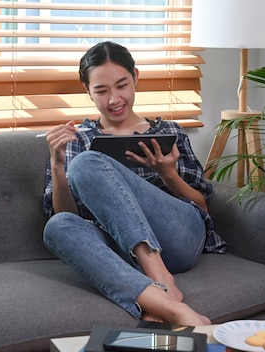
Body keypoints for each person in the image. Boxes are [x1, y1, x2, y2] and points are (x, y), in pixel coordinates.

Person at [41, 41, 226, 327]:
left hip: (178, 239)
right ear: (88, 91)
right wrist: (57, 164)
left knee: (87, 162)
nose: (114, 99)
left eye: (122, 85)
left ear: (135, 77)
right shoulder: (77, 140)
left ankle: (159, 276)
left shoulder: (168, 131)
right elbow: (68, 216)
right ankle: (167, 305)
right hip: (120, 250)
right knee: (57, 226)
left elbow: (202, 205)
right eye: (101, 91)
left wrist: (167, 173)